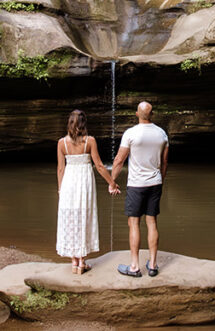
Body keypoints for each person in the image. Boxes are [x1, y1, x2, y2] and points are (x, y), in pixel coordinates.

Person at [56, 109, 120, 274]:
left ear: (70, 123)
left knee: (70, 217)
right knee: (84, 215)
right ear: (84, 124)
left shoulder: (61, 143)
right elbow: (99, 166)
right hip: (84, 182)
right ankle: (82, 261)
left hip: (69, 182)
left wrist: (60, 189)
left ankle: (74, 261)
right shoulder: (89, 141)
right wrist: (112, 182)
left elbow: (60, 169)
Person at [110, 101, 169, 277]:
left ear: (137, 114)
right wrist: (161, 180)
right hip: (155, 183)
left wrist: (112, 181)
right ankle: (152, 265)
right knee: (152, 222)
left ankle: (134, 267)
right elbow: (165, 161)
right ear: (152, 115)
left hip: (136, 185)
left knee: (133, 223)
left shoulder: (131, 133)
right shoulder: (162, 134)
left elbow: (119, 160)